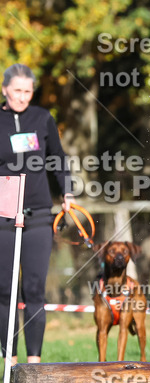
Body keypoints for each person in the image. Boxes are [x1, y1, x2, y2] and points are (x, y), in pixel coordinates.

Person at [0, 64, 73, 364]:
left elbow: (57, 157)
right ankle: (11, 364)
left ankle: (33, 366)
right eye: (17, 90)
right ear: (5, 89)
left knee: (33, 290)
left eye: (27, 91)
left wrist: (67, 192)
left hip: (39, 216)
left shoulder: (42, 118)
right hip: (3, 217)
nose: (22, 97)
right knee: (5, 290)